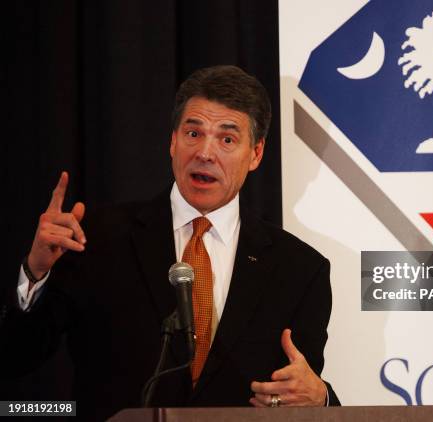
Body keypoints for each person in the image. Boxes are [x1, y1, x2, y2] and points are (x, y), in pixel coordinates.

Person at [0, 65, 339, 420]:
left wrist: (320, 399)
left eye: (226, 139)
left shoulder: (299, 269)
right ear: (173, 141)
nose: (205, 152)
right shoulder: (96, 237)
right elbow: (16, 357)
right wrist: (34, 274)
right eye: (193, 133)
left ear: (255, 153)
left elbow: (304, 395)